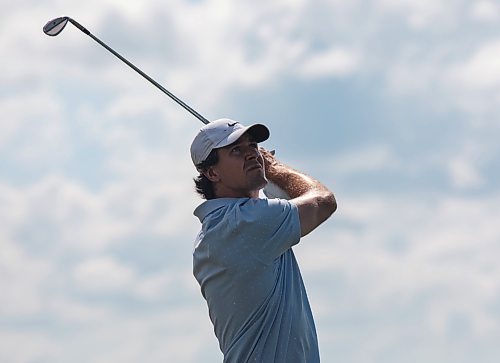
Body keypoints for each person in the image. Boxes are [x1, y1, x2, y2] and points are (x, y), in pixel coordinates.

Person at [190, 118, 337, 362]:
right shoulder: (243, 222)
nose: (251, 154)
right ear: (212, 172)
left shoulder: (224, 224)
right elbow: (323, 201)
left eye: (253, 146)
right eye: (236, 150)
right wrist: (275, 168)